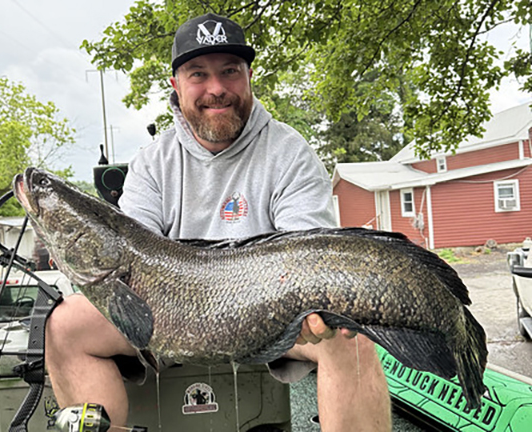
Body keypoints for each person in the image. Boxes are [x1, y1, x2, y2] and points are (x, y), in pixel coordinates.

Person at [47, 13, 391, 431]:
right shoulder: (151, 163)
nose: (216, 88)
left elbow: (307, 258)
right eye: (198, 74)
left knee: (350, 339)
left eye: (230, 71)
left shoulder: (290, 153)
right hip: (167, 321)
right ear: (176, 85)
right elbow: (133, 262)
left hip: (269, 321)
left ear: (249, 76)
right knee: (64, 325)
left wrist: (309, 312)